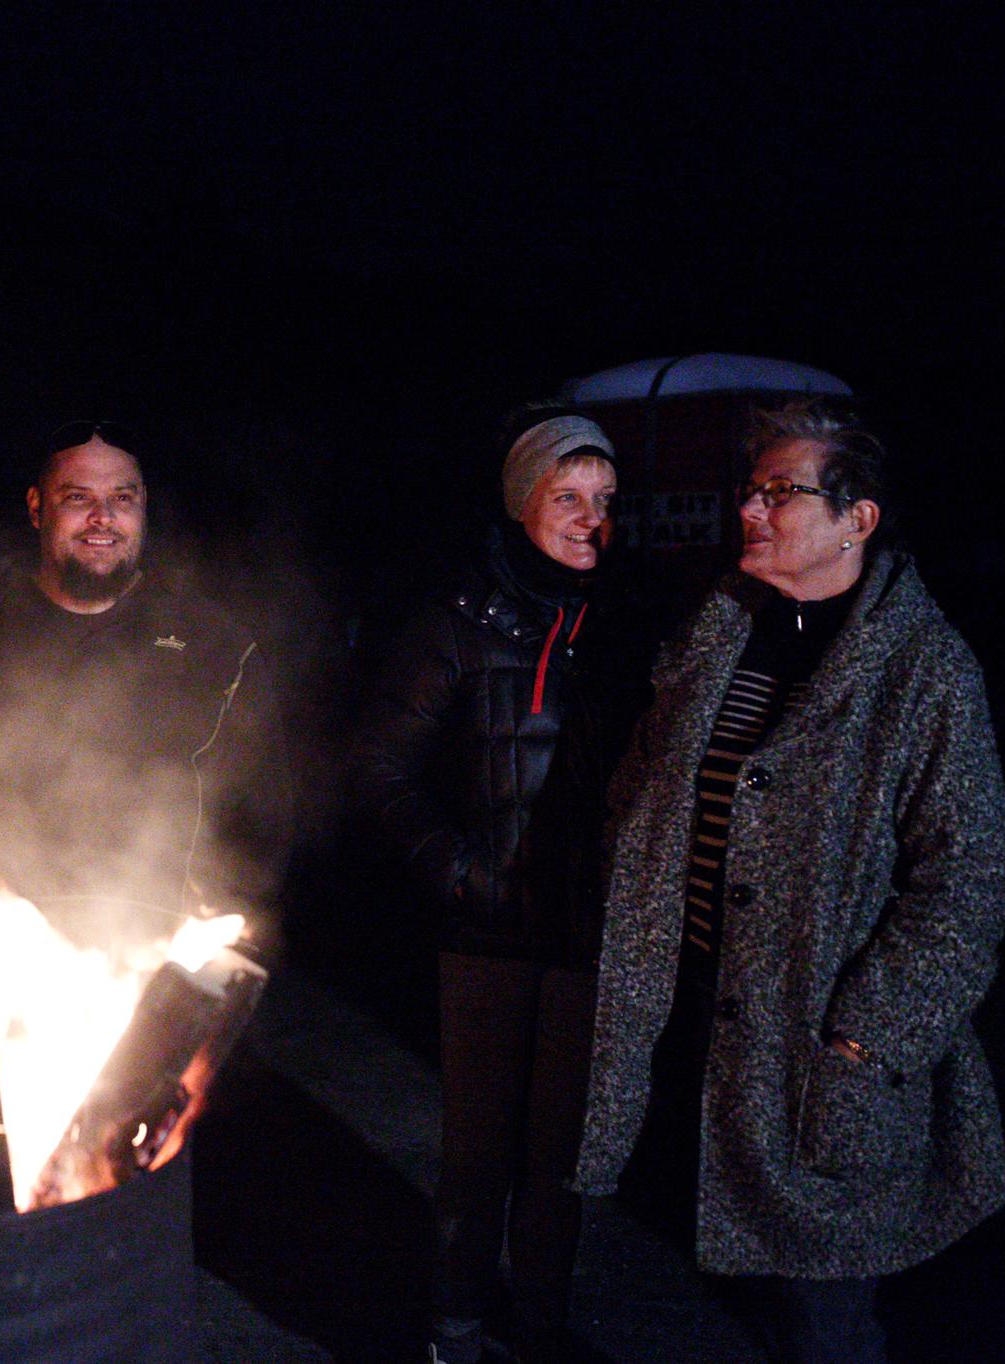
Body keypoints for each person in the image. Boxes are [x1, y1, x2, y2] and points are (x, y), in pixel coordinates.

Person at [572, 401, 1005, 1363]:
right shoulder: (723, 628)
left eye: (783, 492)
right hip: (688, 1032)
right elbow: (645, 776)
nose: (752, 511)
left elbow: (975, 875)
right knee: (688, 1301)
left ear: (857, 519)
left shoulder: (923, 672)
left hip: (818, 1059)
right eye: (751, 490)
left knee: (823, 1326)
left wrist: (869, 1033)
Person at [354, 410, 636, 1364]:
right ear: (523, 504)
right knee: (478, 1155)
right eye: (568, 498)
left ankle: (545, 1330)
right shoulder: (458, 625)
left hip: (591, 941)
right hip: (486, 935)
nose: (590, 520)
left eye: (604, 501)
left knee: (565, 1160)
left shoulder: (630, 624)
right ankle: (456, 1323)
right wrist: (469, 880)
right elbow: (378, 772)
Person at [0, 420, 288, 940]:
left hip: (157, 968)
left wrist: (216, 943)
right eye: (77, 497)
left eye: (122, 498)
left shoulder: (213, 647)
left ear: (143, 507)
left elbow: (261, 819)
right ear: (38, 507)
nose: (102, 517)